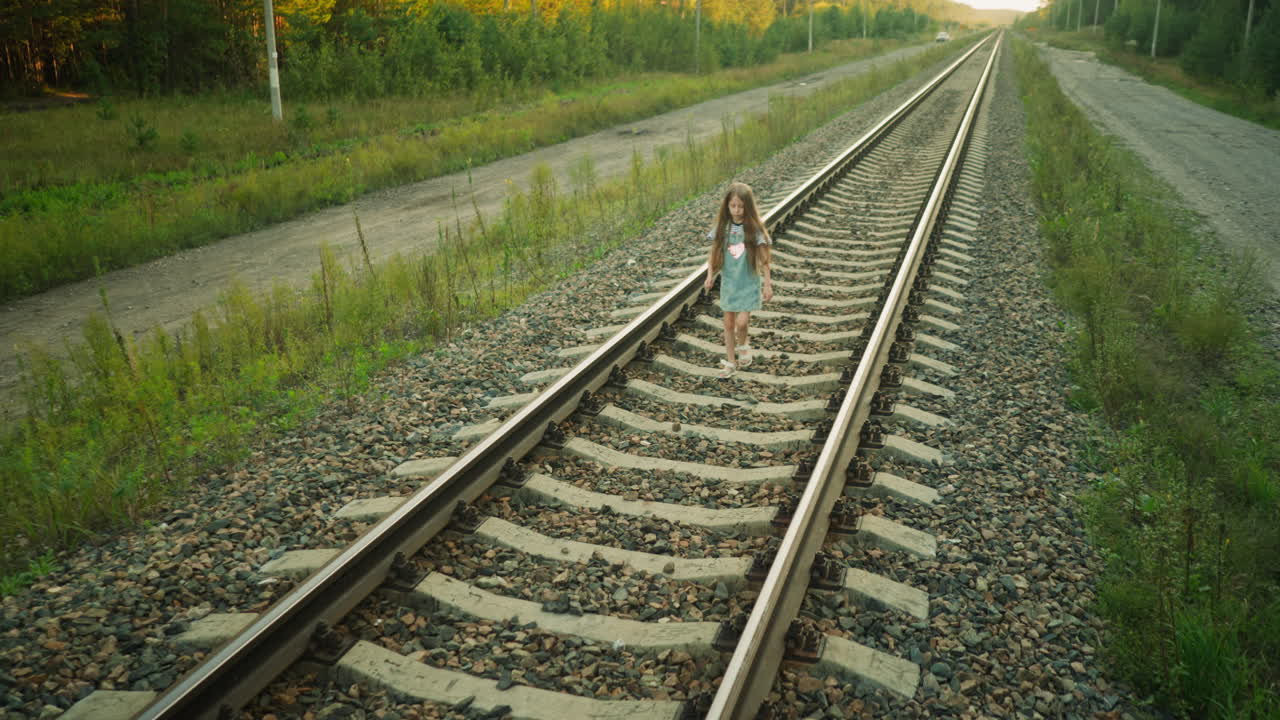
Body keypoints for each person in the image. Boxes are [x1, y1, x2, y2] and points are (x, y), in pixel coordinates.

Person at [703, 182, 772, 378]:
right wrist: (710, 275)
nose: (737, 210)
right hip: (729, 283)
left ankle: (743, 345)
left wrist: (767, 284)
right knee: (728, 324)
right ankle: (731, 362)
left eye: (741, 206)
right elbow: (714, 252)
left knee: (741, 323)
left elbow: (764, 258)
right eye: (733, 206)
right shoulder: (723, 227)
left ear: (747, 207)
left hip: (748, 282)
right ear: (727, 206)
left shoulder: (754, 228)